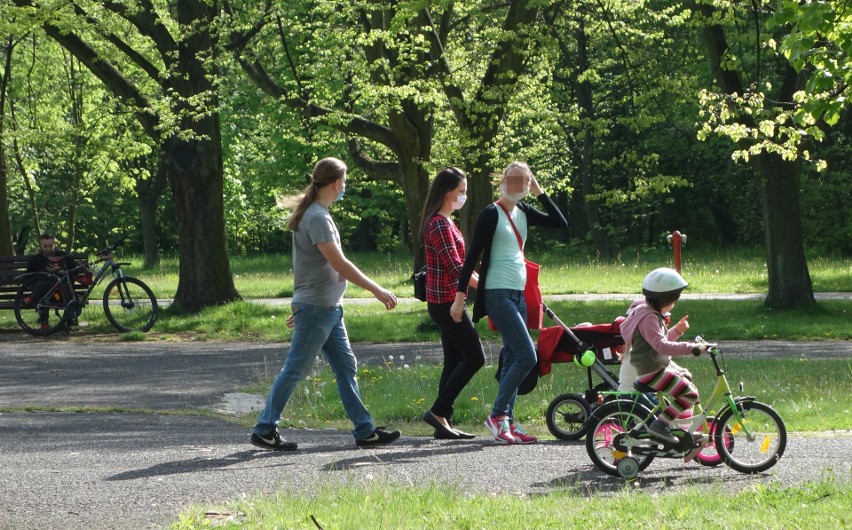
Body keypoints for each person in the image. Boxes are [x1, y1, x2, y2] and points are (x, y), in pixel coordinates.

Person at [250, 157, 401, 451]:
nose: (345, 186)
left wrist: (303, 307)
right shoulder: (317, 217)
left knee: (346, 367)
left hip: (324, 309)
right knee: (295, 369)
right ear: (336, 183)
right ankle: (264, 429)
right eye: (344, 181)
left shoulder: (316, 213)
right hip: (319, 308)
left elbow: (313, 267)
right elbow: (340, 264)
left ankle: (364, 431)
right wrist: (378, 290)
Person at [451, 161, 567, 444]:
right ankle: (497, 415)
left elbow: (560, 222)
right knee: (528, 356)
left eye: (524, 182)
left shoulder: (524, 210)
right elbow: (471, 257)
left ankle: (509, 425)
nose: (518, 186)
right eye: (513, 180)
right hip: (497, 293)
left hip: (518, 293)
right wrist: (460, 297)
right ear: (502, 181)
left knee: (514, 358)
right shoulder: (492, 213)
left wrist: (539, 191)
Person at [418, 167, 485, 440]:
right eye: (461, 191)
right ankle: (438, 411)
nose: (464, 196)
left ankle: (443, 421)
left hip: (446, 300)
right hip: (446, 302)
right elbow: (457, 267)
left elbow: (462, 266)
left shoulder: (446, 222)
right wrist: (488, 287)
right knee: (475, 357)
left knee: (454, 359)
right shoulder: (439, 225)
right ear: (447, 192)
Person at [618, 267, 707, 444]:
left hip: (654, 369)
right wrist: (692, 348)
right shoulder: (649, 318)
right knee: (690, 394)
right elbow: (662, 346)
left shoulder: (648, 313)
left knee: (689, 388)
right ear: (665, 299)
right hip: (652, 372)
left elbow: (657, 341)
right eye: (674, 300)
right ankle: (661, 425)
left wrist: (677, 331)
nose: (674, 304)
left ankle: (682, 434)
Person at [26, 232, 77, 330]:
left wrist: (61, 272)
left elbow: (74, 274)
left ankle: (66, 323)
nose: (48, 248)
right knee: (43, 284)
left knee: (59, 286)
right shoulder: (35, 260)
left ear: (55, 244)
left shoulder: (64, 256)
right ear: (40, 245)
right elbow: (27, 279)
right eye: (45, 246)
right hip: (42, 293)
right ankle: (44, 323)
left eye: (50, 246)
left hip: (62, 292)